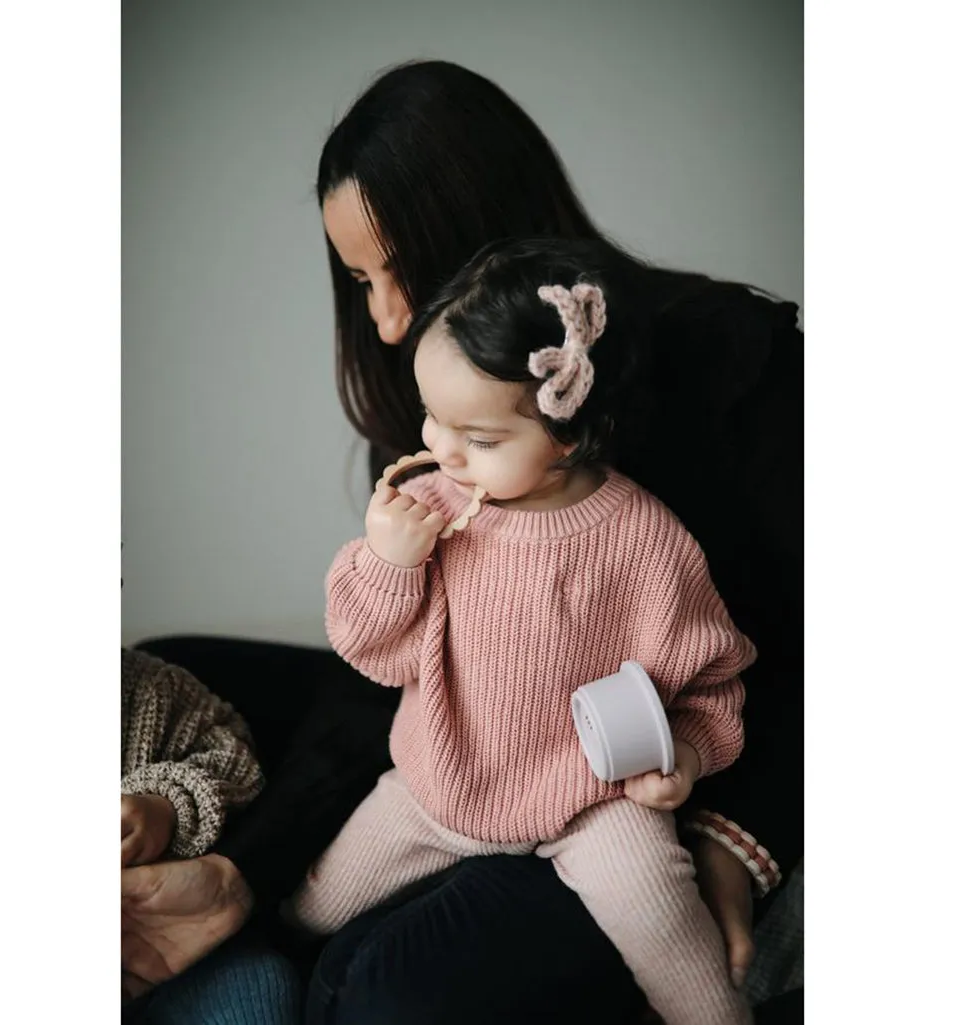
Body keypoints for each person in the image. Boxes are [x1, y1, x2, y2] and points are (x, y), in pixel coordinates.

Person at [122, 60, 802, 1024]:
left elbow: (739, 664)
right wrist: (244, 869)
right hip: (457, 756)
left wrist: (735, 832)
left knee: (381, 982)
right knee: (182, 665)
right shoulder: (441, 436)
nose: (390, 321)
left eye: (410, 269)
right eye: (361, 281)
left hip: (610, 788)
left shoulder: (733, 373)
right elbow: (386, 662)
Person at [289, 237, 760, 1025]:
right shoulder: (432, 511)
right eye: (432, 417)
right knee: (309, 909)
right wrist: (387, 561)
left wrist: (685, 753)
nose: (440, 447)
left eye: (477, 438)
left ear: (570, 435)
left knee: (670, 929)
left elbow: (711, 679)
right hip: (433, 786)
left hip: (591, 803)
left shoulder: (644, 538)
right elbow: (368, 646)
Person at [121, 648, 300, 1024]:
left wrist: (166, 805)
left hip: (174, 928)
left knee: (261, 985)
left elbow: (236, 760)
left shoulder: (156, 688)